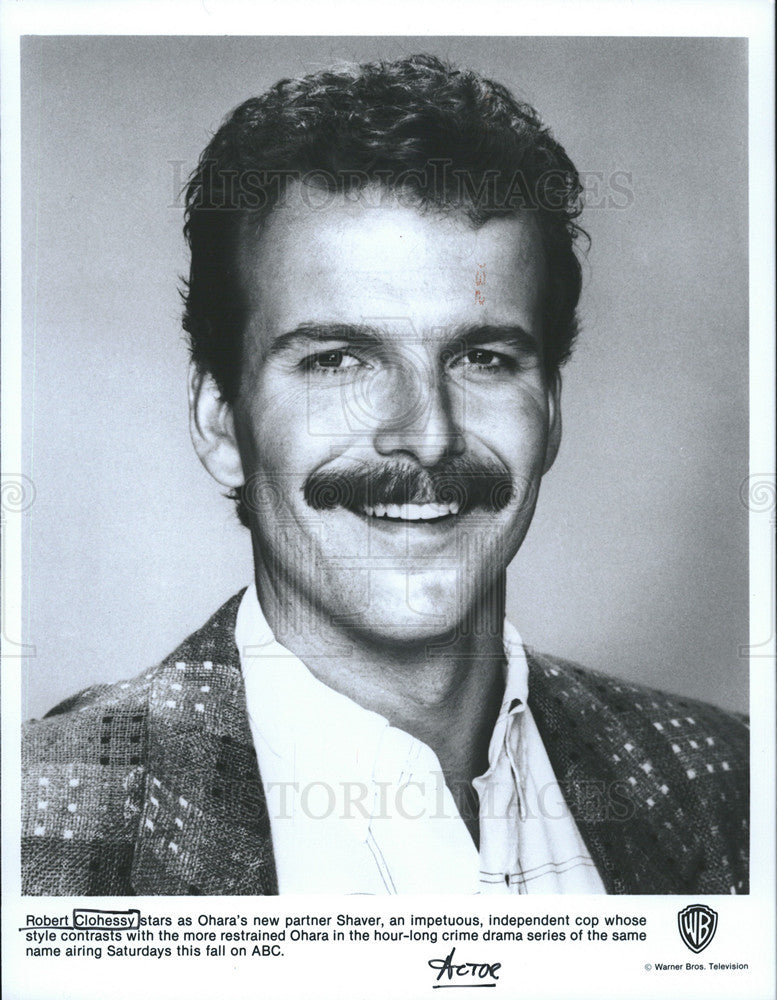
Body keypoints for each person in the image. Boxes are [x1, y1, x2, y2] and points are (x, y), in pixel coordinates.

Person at [22, 54, 748, 896]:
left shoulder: (728, 783)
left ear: (549, 409)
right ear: (222, 420)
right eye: (339, 360)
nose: (426, 436)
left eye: (480, 357)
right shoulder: (43, 832)